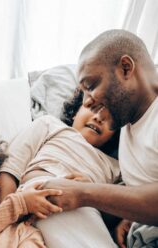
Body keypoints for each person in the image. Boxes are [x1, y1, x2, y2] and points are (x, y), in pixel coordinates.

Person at [40, 29, 158, 248]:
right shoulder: (130, 119)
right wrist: (130, 214)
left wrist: (85, 193)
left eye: (91, 86)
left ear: (126, 68)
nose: (86, 102)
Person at [0, 88, 121, 247]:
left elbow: (115, 212)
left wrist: (90, 193)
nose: (98, 118)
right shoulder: (50, 125)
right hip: (37, 192)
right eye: (93, 107)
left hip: (85, 207)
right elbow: (10, 167)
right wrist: (6, 214)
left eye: (110, 118)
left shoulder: (115, 166)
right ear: (75, 112)